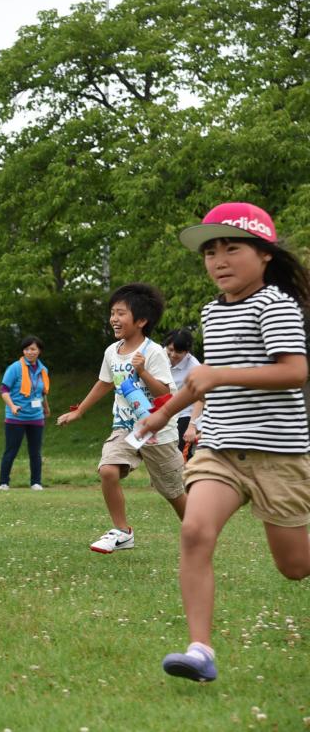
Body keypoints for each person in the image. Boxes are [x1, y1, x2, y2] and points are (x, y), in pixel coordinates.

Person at [135, 202, 310, 682]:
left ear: (265, 255)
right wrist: (163, 415)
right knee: (194, 531)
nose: (219, 260)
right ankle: (200, 650)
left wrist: (220, 374)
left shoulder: (275, 305)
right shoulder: (212, 312)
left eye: (232, 248)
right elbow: (202, 384)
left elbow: (295, 371)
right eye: (210, 252)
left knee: (295, 567)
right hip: (221, 447)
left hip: (279, 454)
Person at [56, 283, 187, 553]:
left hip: (157, 431)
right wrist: (79, 411)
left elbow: (166, 396)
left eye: (121, 313)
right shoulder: (111, 352)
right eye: (112, 312)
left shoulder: (153, 353)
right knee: (107, 470)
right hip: (126, 428)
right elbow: (105, 383)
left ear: (141, 320)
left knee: (173, 493)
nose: (114, 319)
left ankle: (198, 532)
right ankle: (122, 531)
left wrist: (144, 372)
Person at [0, 335, 50, 490]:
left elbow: (42, 392)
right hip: (16, 417)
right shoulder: (15, 368)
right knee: (11, 451)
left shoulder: (43, 370)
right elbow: (4, 390)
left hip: (36, 417)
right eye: (26, 349)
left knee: (35, 452)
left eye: (33, 349)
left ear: (39, 351)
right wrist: (12, 406)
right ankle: (4, 483)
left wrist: (46, 407)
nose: (30, 352)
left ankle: (36, 482)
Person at [163, 328, 202, 460]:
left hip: (185, 413)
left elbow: (200, 398)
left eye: (178, 352)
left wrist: (192, 426)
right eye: (170, 349)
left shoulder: (194, 367)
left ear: (187, 351)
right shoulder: (159, 356)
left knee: (179, 455)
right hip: (164, 411)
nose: (173, 354)